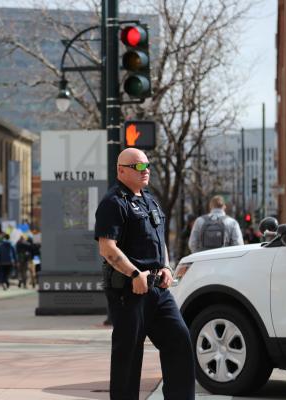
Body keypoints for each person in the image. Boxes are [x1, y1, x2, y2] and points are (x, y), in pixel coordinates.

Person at [95, 148, 195, 400]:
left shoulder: (150, 199)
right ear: (121, 170)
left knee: (179, 339)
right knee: (128, 356)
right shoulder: (113, 202)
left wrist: (167, 267)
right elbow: (107, 248)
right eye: (139, 166)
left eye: (147, 165)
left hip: (158, 290)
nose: (146, 170)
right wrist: (134, 274)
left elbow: (159, 241)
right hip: (129, 290)